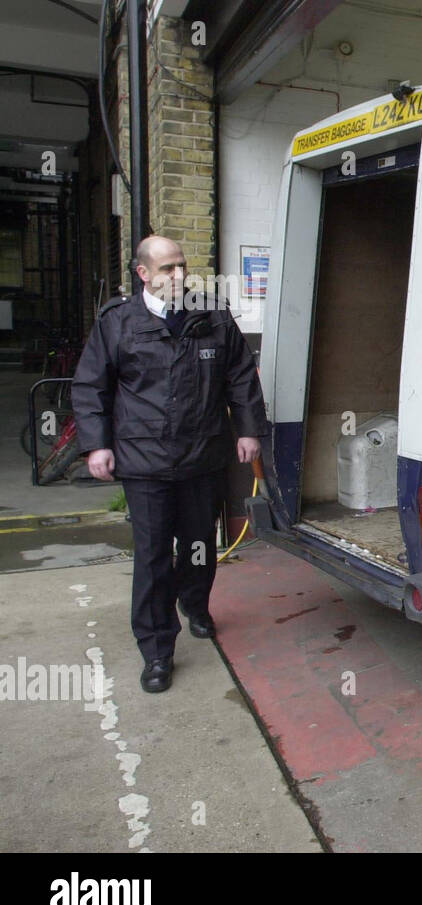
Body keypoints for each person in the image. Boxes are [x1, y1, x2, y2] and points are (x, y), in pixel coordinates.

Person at [72, 235, 269, 693]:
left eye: (182, 265)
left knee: (199, 544)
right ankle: (157, 649)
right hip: (145, 463)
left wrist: (248, 429)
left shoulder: (213, 317)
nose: (179, 276)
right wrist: (96, 445)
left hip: (202, 456)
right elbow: (91, 387)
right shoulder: (118, 323)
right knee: (155, 555)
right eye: (167, 269)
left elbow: (240, 377)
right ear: (143, 274)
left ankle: (195, 605)